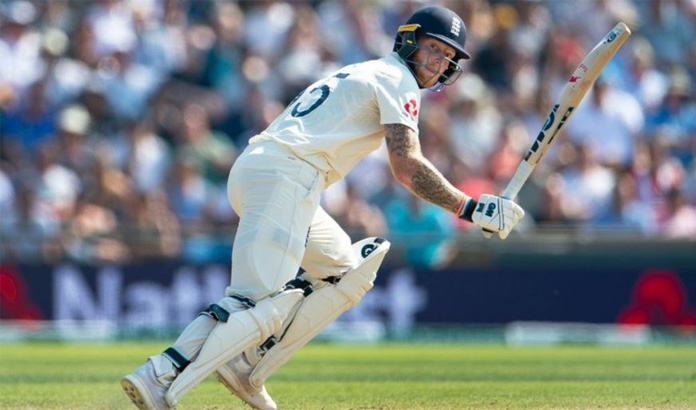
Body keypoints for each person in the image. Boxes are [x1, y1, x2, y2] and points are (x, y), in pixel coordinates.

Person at [121, 6, 525, 410]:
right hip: (288, 175)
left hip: (267, 171)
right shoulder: (397, 78)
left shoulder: (367, 70)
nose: (438, 62)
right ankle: (160, 373)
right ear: (409, 40)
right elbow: (407, 165)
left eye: (447, 56)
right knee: (251, 301)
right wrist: (470, 207)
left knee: (344, 270)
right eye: (433, 49)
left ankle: (249, 364)